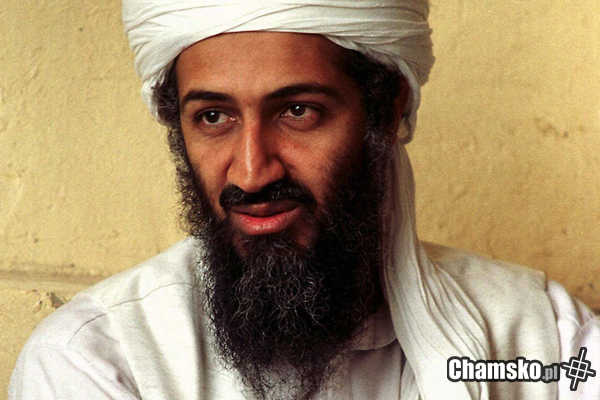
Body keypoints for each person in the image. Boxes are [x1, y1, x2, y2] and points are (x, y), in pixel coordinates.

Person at [8, 1, 600, 399]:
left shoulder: (545, 340)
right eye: (213, 117)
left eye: (298, 111)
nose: (251, 172)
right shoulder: (102, 361)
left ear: (386, 109)